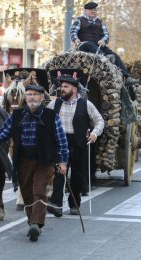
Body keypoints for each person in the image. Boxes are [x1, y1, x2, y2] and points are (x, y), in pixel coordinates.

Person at [0, 85, 69, 242]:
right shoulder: (16, 115)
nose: (31, 97)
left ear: (42, 98)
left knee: (39, 190)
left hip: (44, 161)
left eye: (35, 95)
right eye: (29, 94)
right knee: (27, 193)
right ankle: (32, 222)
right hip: (23, 160)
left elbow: (62, 141)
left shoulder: (51, 116)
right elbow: (3, 134)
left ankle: (37, 223)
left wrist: (63, 161)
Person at [46, 72, 104, 217]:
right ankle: (56, 204)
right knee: (59, 173)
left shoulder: (86, 104)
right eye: (61, 86)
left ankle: (74, 203)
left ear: (74, 89)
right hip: (60, 143)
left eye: (66, 86)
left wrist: (94, 133)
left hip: (78, 144)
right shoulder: (55, 103)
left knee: (77, 176)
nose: (62, 89)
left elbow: (99, 120)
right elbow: (44, 118)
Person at [70, 1, 138, 86]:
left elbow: (106, 35)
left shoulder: (100, 22)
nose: (93, 11)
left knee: (114, 55)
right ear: (85, 10)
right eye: (91, 9)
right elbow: (73, 32)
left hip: (98, 47)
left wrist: (103, 41)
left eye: (95, 9)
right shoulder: (79, 20)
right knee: (89, 44)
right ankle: (106, 59)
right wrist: (76, 40)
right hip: (83, 46)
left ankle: (127, 77)